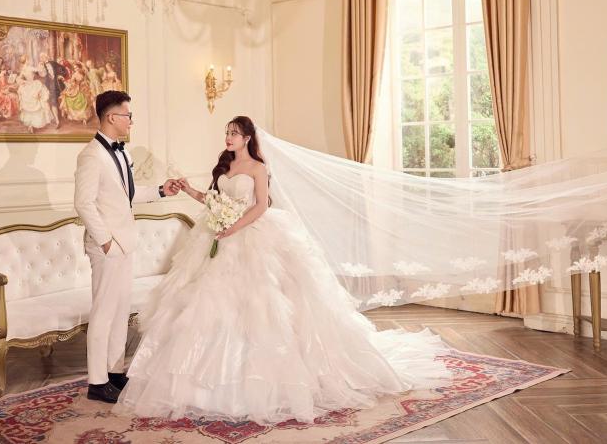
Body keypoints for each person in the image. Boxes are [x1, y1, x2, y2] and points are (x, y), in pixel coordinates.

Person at [114, 116, 451, 423]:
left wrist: (233, 227)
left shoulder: (258, 168)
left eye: (234, 133)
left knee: (263, 306)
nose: (229, 137)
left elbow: (261, 206)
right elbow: (214, 201)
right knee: (205, 304)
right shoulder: (224, 165)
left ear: (247, 138)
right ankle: (198, 384)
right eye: (227, 132)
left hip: (250, 236)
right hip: (216, 236)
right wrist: (190, 190)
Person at [74, 90, 183, 404]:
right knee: (103, 313)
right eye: (128, 115)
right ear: (112, 117)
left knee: (120, 311)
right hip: (107, 247)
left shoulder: (123, 154)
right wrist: (106, 241)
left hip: (126, 243)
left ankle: (114, 372)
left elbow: (127, 196)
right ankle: (97, 382)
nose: (131, 121)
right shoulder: (90, 156)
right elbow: (83, 203)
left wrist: (161, 190)